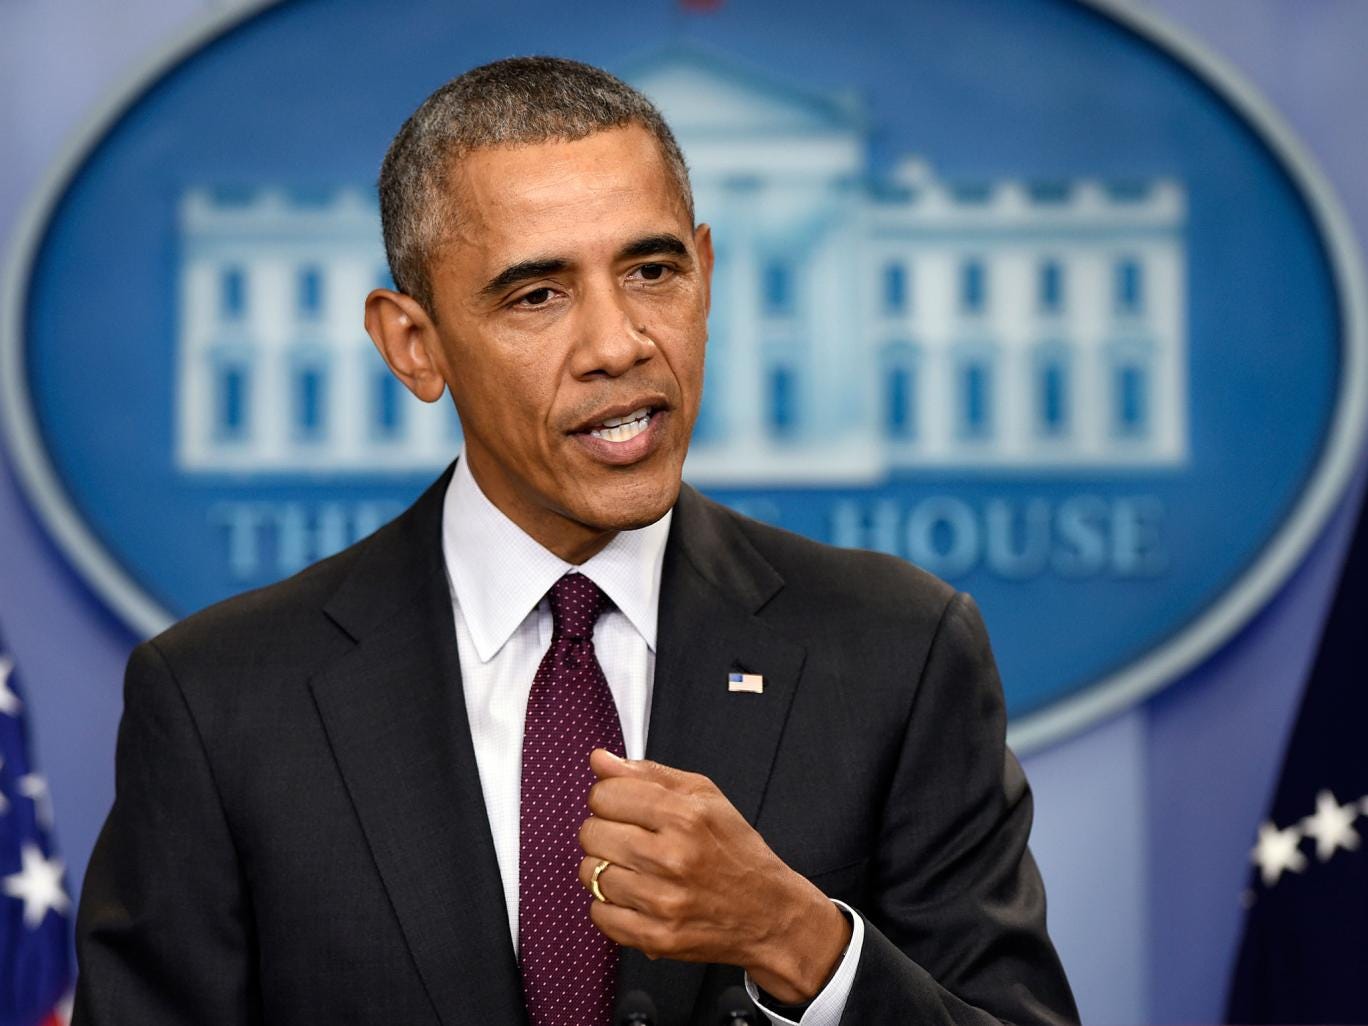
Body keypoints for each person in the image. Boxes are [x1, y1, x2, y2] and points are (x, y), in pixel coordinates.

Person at [73, 57, 1077, 1026]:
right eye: (537, 295)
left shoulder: (899, 651)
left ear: (707, 275)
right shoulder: (220, 701)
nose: (618, 344)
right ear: (414, 345)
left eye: (652, 270)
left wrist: (798, 939)